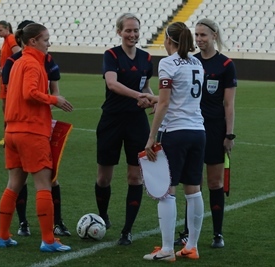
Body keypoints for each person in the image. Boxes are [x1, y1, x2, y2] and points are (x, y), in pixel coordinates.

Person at [0, 23, 73, 252]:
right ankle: (48, 240)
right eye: (46, 39)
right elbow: (29, 93)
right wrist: (54, 99)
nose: (49, 43)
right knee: (43, 185)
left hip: (12, 132)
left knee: (14, 185)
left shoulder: (18, 62)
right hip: (31, 131)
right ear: (33, 41)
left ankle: (3, 236)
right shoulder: (33, 64)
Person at [141, 22, 205, 262]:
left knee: (166, 192)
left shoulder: (167, 63)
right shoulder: (196, 62)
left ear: (168, 40)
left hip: (176, 132)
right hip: (198, 131)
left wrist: (151, 137)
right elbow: (181, 95)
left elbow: (166, 103)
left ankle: (167, 249)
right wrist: (157, 98)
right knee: (194, 190)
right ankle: (192, 246)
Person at [175, 18, 237, 249]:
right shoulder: (190, 62)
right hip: (191, 127)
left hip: (214, 129)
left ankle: (217, 234)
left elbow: (229, 104)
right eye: (197, 35)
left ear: (214, 36)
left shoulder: (225, 64)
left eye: (203, 35)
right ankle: (188, 233)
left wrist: (229, 135)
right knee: (192, 183)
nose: (199, 39)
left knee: (214, 182)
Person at [95, 13, 154, 246]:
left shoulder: (147, 58)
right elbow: (112, 83)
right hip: (111, 120)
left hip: (136, 122)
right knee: (103, 177)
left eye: (136, 30)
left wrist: (148, 99)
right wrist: (138, 95)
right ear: (119, 32)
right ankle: (103, 216)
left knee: (135, 176)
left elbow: (146, 86)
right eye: (128, 30)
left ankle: (127, 231)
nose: (132, 34)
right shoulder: (111, 55)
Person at [0, 20, 21, 145]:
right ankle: (7, 136)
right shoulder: (6, 40)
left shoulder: (11, 39)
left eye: (0, 30)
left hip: (9, 78)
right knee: (5, 106)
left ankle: (9, 136)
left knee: (8, 107)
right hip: (5, 77)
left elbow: (18, 54)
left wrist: (6, 68)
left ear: (7, 28)